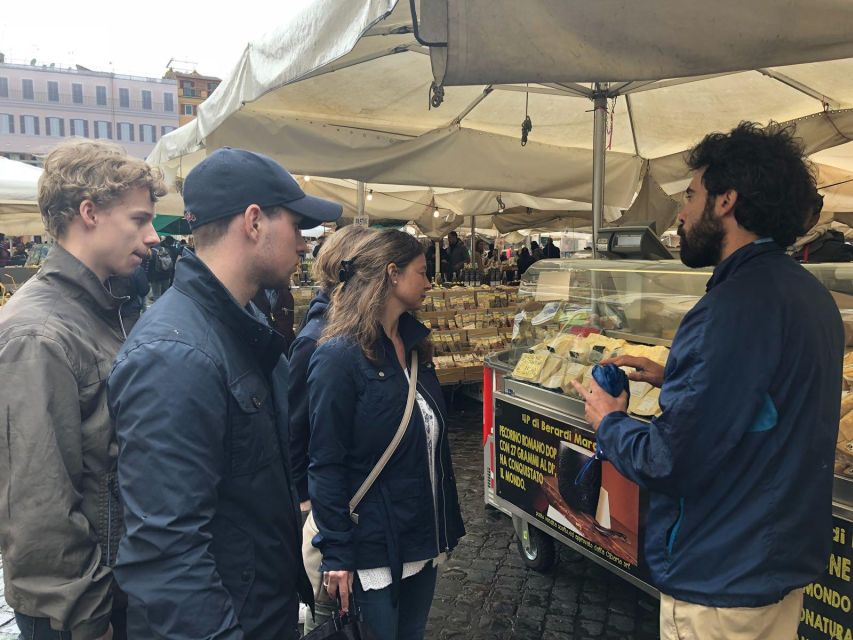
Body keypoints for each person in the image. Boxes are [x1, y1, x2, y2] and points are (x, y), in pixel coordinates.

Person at [573, 122, 845, 640]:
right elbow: (767, 400)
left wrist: (610, 422)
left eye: (691, 195)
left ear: (726, 201)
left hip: (721, 579)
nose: (680, 213)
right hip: (775, 567)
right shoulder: (810, 296)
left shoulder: (729, 307)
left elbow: (670, 460)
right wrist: (678, 373)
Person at [107, 147, 342, 640]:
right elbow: (165, 554)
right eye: (297, 226)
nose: (305, 245)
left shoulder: (240, 323)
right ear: (254, 222)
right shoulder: (175, 354)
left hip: (260, 609)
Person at [0, 139, 165, 640]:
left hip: (113, 590)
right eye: (139, 219)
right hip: (79, 612)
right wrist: (88, 622)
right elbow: (39, 509)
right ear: (89, 213)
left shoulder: (106, 308)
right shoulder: (38, 334)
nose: (153, 236)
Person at [307, 229, 465, 640]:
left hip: (421, 538)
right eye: (422, 272)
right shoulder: (338, 357)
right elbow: (325, 461)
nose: (430, 282)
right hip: (371, 550)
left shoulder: (415, 347)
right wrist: (337, 552)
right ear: (393, 274)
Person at [289, 224, 376, 634]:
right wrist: (306, 501)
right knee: (331, 617)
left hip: (350, 505)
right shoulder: (316, 340)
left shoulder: (358, 333)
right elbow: (296, 429)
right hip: (324, 507)